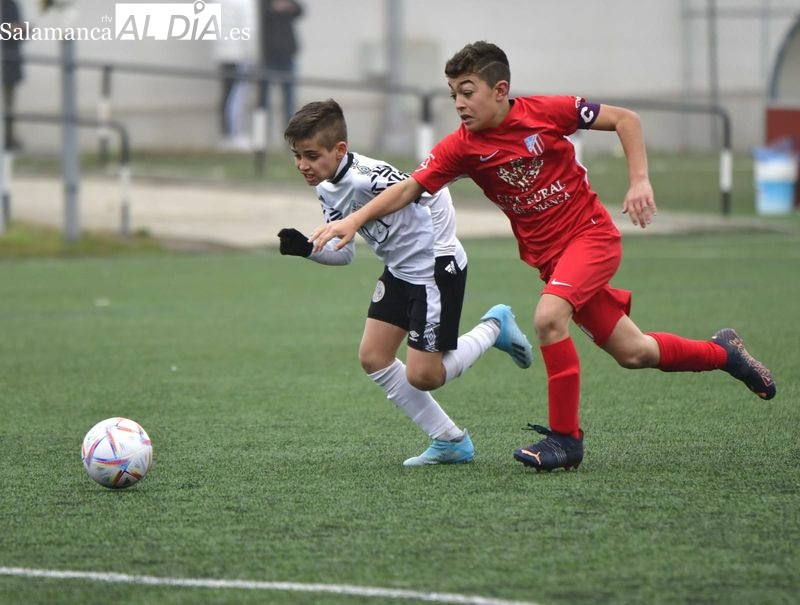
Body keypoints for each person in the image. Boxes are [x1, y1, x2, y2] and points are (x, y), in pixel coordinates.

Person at [307, 41, 777, 472]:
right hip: (552, 261)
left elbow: (626, 120)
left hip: (590, 238)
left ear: (501, 90)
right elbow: (411, 187)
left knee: (549, 318)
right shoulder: (461, 148)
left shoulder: (548, 112)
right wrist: (352, 222)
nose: (459, 104)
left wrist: (640, 181)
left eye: (467, 92)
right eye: (452, 94)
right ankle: (725, 354)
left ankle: (565, 440)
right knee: (634, 352)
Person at [279, 98, 533, 466]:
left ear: (340, 150)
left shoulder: (372, 176)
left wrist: (442, 247)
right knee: (374, 357)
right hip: (399, 272)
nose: (303, 165)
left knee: (425, 375)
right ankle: (450, 441)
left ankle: (495, 327)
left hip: (433, 270)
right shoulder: (326, 185)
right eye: (297, 155)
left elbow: (433, 190)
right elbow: (345, 253)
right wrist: (306, 249)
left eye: (311, 155)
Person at [214, 0, 256, 151]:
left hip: (223, 53)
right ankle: (233, 135)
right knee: (236, 97)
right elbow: (248, 29)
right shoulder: (242, 3)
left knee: (227, 94)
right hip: (238, 54)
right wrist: (251, 53)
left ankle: (226, 135)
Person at [258, 0, 303, 131]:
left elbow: (300, 10)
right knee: (264, 100)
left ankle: (290, 135)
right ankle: (262, 135)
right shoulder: (264, 4)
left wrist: (286, 6)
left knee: (289, 99)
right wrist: (276, 7)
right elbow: (264, 11)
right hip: (269, 57)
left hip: (287, 56)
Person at [1, 0, 24, 150]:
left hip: (11, 61)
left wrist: (21, 30)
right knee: (9, 104)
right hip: (7, 59)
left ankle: (9, 138)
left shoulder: (12, 5)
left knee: (10, 104)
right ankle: (8, 138)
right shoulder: (6, 6)